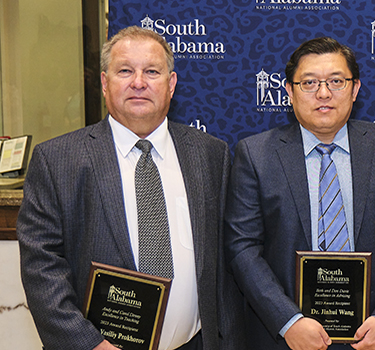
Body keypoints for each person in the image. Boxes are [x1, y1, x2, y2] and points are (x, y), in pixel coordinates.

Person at [18, 26, 243, 350]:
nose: (139, 82)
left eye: (152, 71)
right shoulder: (57, 160)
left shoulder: (210, 154)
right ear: (106, 83)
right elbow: (41, 268)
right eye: (125, 71)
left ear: (171, 84)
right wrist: (89, 345)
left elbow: (225, 266)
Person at [224, 37, 375, 350]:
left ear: (355, 89)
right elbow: (242, 247)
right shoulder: (255, 154)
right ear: (289, 91)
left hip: (372, 335)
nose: (323, 93)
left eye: (336, 81)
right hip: (288, 338)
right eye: (309, 82)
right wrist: (288, 321)